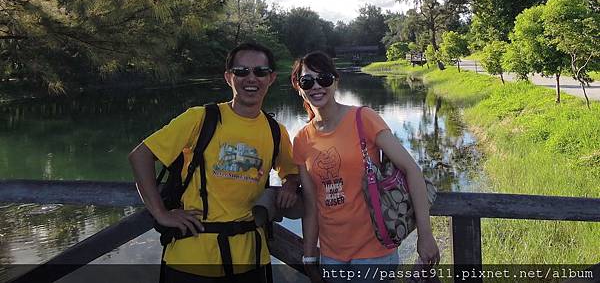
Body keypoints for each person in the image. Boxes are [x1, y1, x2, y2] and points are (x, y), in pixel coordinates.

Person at [129, 42, 300, 283]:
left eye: (260, 72)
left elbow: (290, 171)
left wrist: (291, 185)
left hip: (250, 257)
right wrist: (160, 213)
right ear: (228, 77)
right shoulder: (200, 118)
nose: (251, 78)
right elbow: (140, 155)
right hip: (192, 255)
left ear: (271, 78)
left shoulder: (276, 131)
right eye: (241, 71)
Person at [291, 51, 439, 283]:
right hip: (331, 257)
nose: (316, 86)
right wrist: (310, 255)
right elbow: (311, 203)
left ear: (336, 81)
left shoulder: (363, 118)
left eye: (324, 79)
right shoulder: (301, 140)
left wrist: (425, 235)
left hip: (375, 253)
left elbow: (412, 170)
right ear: (298, 87)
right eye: (307, 81)